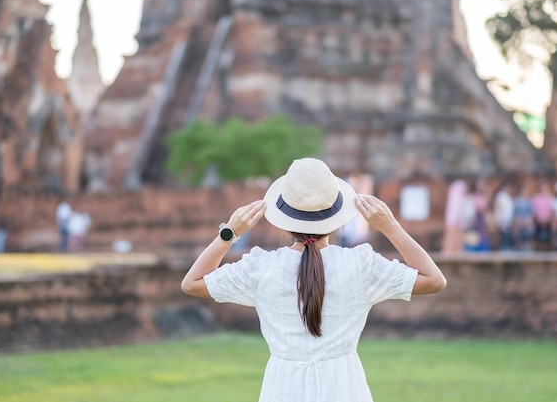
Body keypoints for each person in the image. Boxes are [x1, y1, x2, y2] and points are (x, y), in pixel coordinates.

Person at [181, 158, 447, 402]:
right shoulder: (360, 265)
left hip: (281, 390)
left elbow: (192, 283)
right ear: (337, 219)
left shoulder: (261, 267)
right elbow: (434, 279)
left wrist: (230, 232)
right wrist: (390, 226)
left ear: (285, 221)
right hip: (345, 390)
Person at [441, 179, 468, 253]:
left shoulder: (457, 187)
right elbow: (455, 207)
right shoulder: (458, 188)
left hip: (455, 220)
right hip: (455, 220)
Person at [532, 181, 555, 250]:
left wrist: (548, 221)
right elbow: (535, 211)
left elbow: (552, 211)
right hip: (539, 224)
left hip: (548, 224)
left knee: (548, 242)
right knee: (538, 242)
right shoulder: (536, 198)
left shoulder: (550, 197)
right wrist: (539, 221)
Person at [493, 182, 515, 250]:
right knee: (503, 242)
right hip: (503, 224)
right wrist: (501, 222)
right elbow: (499, 209)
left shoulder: (508, 197)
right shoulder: (501, 196)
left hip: (508, 223)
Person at [512, 184, 535, 251]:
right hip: (519, 225)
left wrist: (527, 222)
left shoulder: (529, 201)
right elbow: (515, 214)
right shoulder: (516, 201)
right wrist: (519, 223)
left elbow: (531, 214)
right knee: (519, 243)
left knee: (528, 243)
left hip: (527, 225)